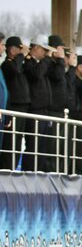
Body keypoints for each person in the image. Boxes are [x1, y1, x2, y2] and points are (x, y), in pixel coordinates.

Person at [23, 35, 56, 172]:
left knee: (42, 147)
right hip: (34, 110)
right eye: (44, 50)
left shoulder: (42, 64)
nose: (45, 53)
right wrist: (47, 59)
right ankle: (29, 173)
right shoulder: (28, 62)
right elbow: (37, 74)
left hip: (44, 110)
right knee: (33, 145)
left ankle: (39, 173)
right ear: (35, 48)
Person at [0, 36, 30, 170]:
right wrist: (21, 56)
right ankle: (7, 170)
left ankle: (13, 169)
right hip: (13, 108)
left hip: (23, 108)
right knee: (10, 143)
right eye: (19, 49)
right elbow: (14, 70)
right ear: (12, 50)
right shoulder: (7, 64)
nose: (22, 52)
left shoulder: (19, 64)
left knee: (18, 143)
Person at [46, 35, 69, 172]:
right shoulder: (49, 64)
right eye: (60, 49)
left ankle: (58, 172)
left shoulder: (57, 65)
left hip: (60, 111)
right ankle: (50, 172)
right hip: (52, 110)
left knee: (59, 147)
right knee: (51, 146)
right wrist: (60, 59)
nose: (63, 53)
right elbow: (58, 76)